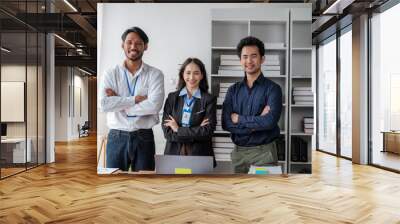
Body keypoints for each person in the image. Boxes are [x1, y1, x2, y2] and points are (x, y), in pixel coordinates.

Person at [98, 27, 164, 171]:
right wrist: (135, 100)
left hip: (144, 137)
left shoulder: (155, 74)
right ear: (123, 45)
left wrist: (119, 101)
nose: (133, 47)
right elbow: (104, 105)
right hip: (116, 136)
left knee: (143, 184)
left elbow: (154, 106)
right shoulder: (110, 73)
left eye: (138, 43)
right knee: (114, 183)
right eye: (129, 42)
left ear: (145, 46)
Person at [222, 36, 283, 173]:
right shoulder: (233, 90)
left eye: (254, 56)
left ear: (262, 59)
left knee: (263, 193)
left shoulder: (273, 89)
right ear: (240, 60)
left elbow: (269, 122)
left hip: (264, 153)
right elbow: (226, 124)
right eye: (245, 57)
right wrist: (256, 124)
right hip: (239, 153)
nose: (249, 61)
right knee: (238, 193)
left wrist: (239, 119)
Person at [162, 58, 216, 166]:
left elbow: (207, 132)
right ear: (182, 74)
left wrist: (178, 129)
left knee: (199, 183)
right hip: (174, 153)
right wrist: (197, 131)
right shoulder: (172, 98)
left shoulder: (209, 99)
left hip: (200, 154)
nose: (191, 77)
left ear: (202, 76)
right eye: (188, 73)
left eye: (196, 73)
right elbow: (167, 132)